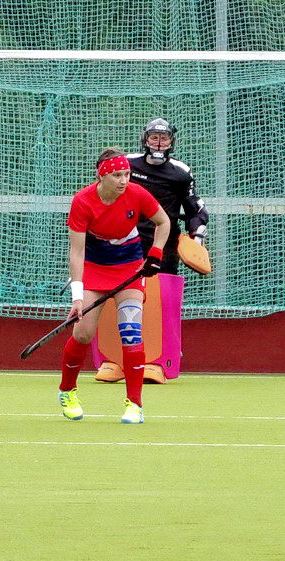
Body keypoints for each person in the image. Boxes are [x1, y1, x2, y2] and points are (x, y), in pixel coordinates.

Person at [58, 147, 170, 424]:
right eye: (117, 175)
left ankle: (135, 404)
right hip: (94, 268)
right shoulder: (82, 201)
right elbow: (76, 253)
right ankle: (67, 391)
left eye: (127, 174)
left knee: (131, 332)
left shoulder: (136, 194)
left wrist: (155, 253)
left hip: (129, 268)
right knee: (83, 334)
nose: (123, 180)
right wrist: (77, 297)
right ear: (101, 176)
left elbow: (163, 222)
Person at [97, 118, 209, 383]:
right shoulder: (128, 165)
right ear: (145, 139)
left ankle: (156, 361)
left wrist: (197, 238)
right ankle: (113, 360)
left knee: (159, 302)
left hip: (163, 246)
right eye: (154, 137)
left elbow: (195, 209)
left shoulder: (180, 172)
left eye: (164, 138)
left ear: (172, 141)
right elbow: (103, 190)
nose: (159, 143)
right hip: (123, 243)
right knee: (113, 296)